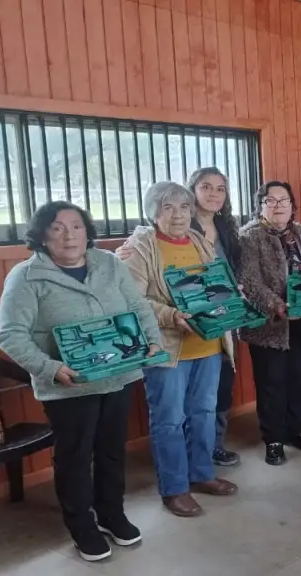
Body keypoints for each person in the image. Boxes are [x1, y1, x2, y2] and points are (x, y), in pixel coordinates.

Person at [0, 202, 162, 561]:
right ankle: (82, 526)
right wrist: (49, 367)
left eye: (76, 226)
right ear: (42, 235)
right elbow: (9, 334)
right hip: (68, 384)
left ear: (88, 231)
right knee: (74, 457)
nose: (69, 235)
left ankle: (111, 514)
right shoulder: (26, 276)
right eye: (57, 227)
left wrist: (152, 340)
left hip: (119, 375)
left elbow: (139, 306)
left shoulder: (109, 263)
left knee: (111, 451)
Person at [121, 182, 238, 518]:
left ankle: (201, 474)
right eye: (167, 207)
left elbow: (215, 284)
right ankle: (174, 488)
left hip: (209, 342)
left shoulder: (199, 240)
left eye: (184, 207)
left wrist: (229, 295)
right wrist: (171, 315)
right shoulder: (142, 246)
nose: (177, 214)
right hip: (168, 349)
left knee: (204, 413)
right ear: (153, 212)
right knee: (169, 420)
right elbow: (133, 301)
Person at [238, 181, 301, 465]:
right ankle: (273, 439)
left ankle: (297, 430)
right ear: (261, 205)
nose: (278, 206)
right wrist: (277, 305)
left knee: (298, 380)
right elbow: (250, 282)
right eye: (271, 200)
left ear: (293, 205)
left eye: (284, 200)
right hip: (268, 324)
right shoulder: (248, 237)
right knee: (271, 383)